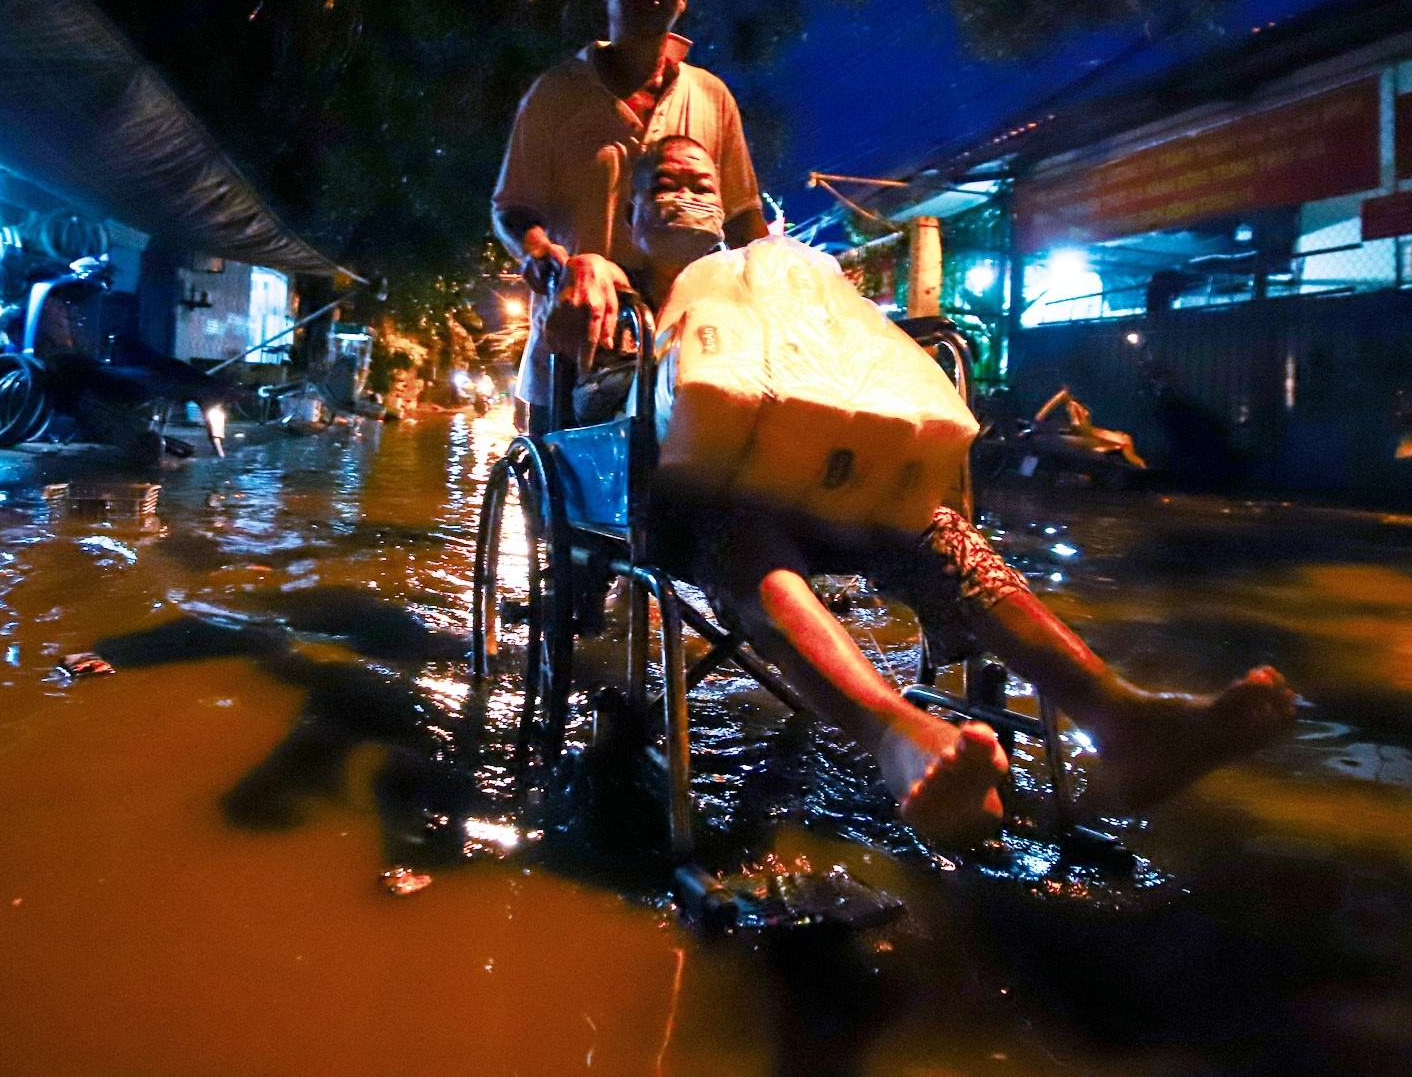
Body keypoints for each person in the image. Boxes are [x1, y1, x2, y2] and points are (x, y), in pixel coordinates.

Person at [549, 136, 1297, 848]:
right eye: (664, 185)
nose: (684, 197)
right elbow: (582, 399)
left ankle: (1123, 720)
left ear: (724, 206)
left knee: (939, 533)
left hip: (827, 484)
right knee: (751, 543)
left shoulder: (766, 276)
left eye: (700, 185)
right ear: (632, 214)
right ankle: (898, 737)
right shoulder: (612, 295)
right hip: (686, 502)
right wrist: (622, 334)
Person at [491, 0, 767, 431]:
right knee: (563, 473)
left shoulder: (712, 98)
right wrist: (540, 251)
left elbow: (742, 221)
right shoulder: (555, 95)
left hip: (686, 351)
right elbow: (512, 208)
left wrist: (784, 283)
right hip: (573, 345)